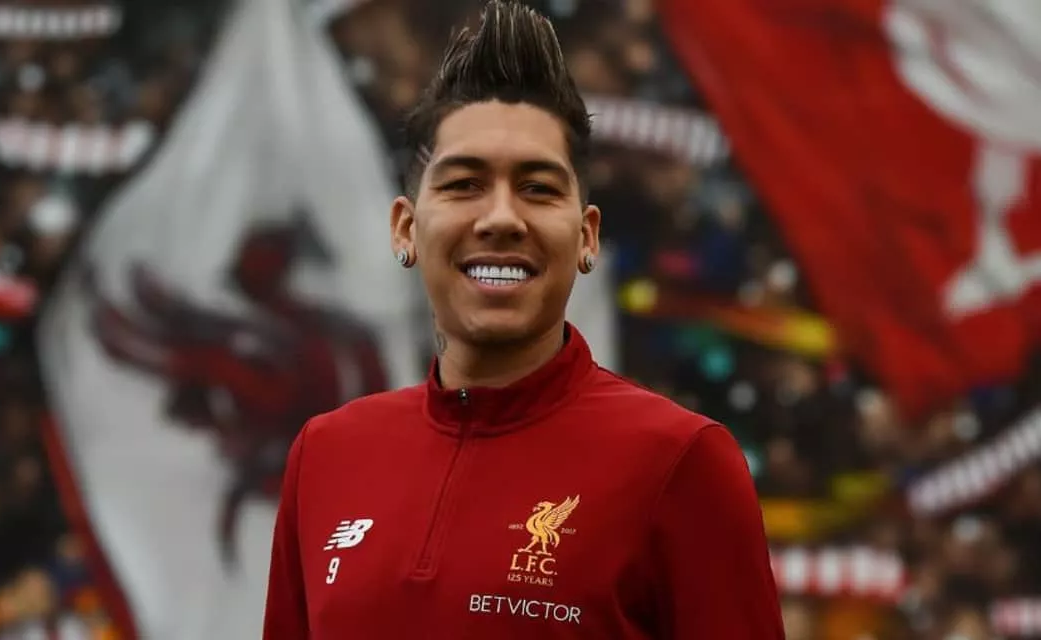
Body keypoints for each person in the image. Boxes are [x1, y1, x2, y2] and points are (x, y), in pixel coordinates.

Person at [262, 1, 784, 638]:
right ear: (405, 228)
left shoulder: (683, 460)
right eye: (463, 184)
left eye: (538, 188)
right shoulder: (325, 456)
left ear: (587, 236)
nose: (501, 218)